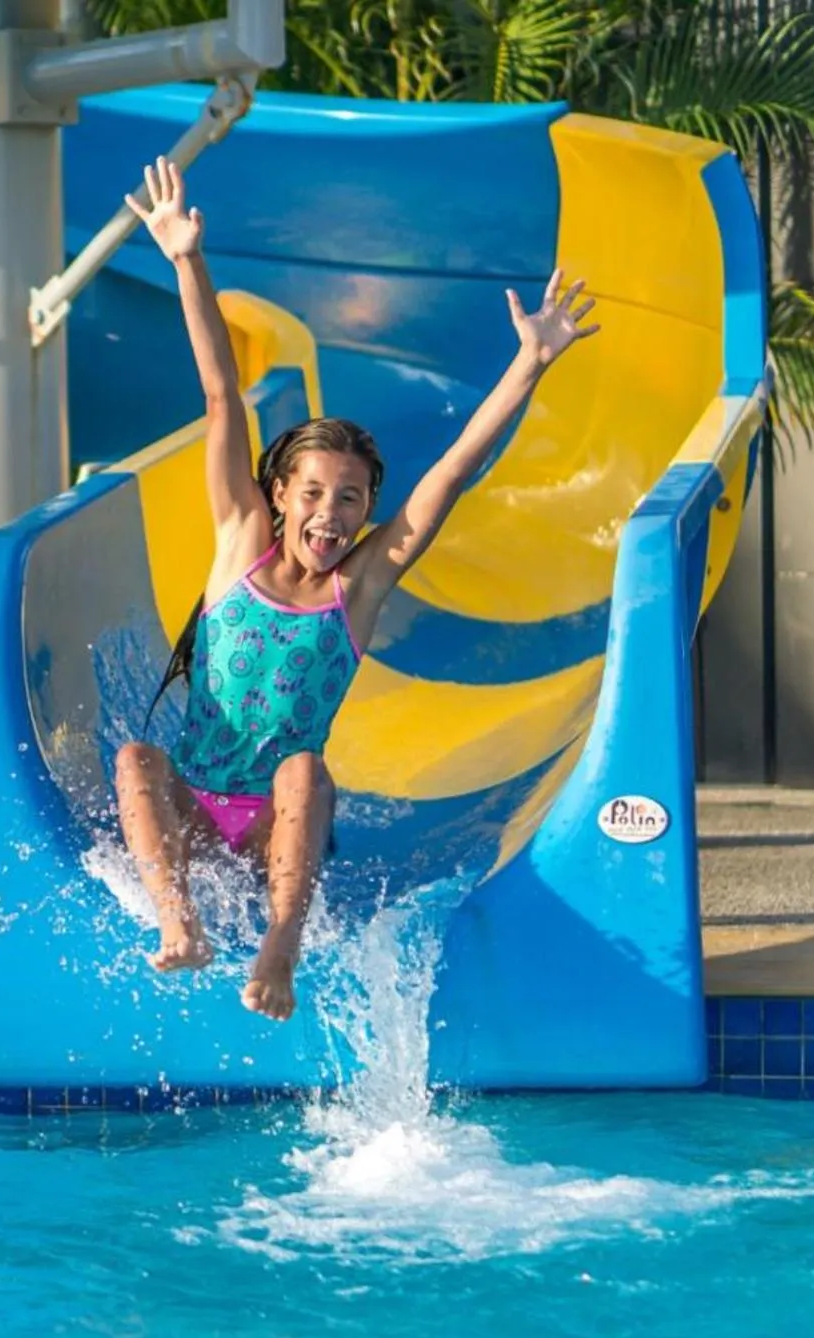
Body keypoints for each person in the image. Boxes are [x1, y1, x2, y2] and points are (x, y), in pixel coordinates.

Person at [111, 155, 600, 1022]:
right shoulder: (239, 548)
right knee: (135, 759)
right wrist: (187, 260)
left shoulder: (359, 588)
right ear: (278, 497)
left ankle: (280, 947)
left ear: (369, 509)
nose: (330, 516)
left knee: (304, 767)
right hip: (196, 805)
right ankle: (177, 920)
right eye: (313, 494)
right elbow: (225, 398)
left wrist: (530, 364)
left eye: (351, 500)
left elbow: (452, 473)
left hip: (277, 828)